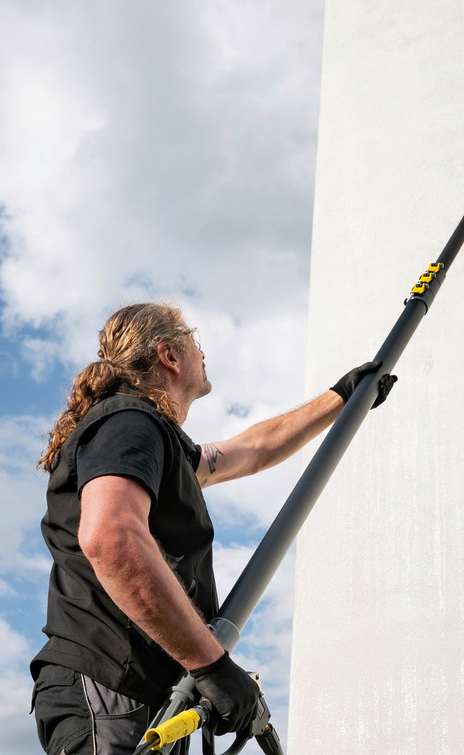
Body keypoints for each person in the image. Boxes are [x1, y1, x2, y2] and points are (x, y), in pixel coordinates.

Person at [30, 302, 395, 755]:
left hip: (150, 699)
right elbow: (110, 538)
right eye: (193, 338)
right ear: (169, 355)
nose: (203, 350)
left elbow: (255, 449)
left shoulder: (158, 440)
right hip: (114, 687)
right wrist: (211, 665)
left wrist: (342, 397)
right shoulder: (128, 422)